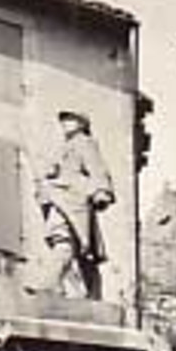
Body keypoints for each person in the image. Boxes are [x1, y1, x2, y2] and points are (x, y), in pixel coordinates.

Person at [32, 110, 115, 300]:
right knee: (64, 240)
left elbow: (97, 168)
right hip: (58, 197)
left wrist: (102, 192)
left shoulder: (85, 142)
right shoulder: (62, 147)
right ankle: (86, 293)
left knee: (73, 245)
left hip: (75, 198)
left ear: (81, 123)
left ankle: (49, 284)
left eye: (70, 119)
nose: (65, 123)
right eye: (64, 119)